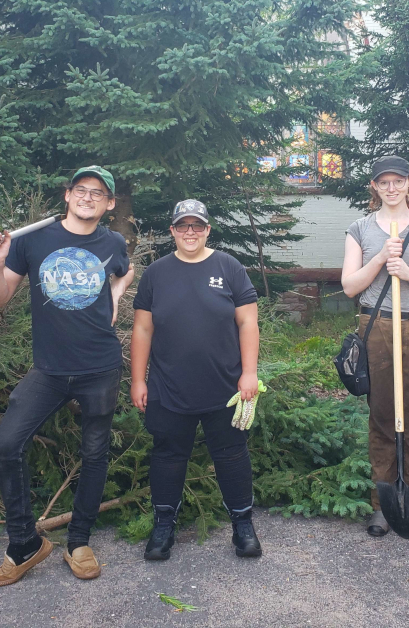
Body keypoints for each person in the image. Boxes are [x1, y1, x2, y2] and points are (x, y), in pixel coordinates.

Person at [0, 166, 134, 586]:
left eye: (98, 193)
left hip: (101, 366)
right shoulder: (34, 239)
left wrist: (115, 295)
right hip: (49, 370)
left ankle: (79, 541)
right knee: (6, 444)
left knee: (95, 454)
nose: (88, 197)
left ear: (109, 204)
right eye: (81, 190)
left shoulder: (113, 241)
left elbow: (125, 269)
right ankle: (24, 543)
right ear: (67, 195)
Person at [130, 199, 262, 559]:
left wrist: (249, 373)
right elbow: (142, 329)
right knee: (168, 456)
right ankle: (163, 527)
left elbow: (248, 322)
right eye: (183, 226)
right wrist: (138, 380)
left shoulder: (229, 267)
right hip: (167, 387)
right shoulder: (156, 273)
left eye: (197, 226)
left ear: (208, 229)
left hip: (226, 386)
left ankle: (243, 526)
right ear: (172, 231)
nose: (191, 232)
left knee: (232, 455)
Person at [341, 156, 409, 537]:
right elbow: (350, 286)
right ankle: (382, 505)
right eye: (383, 182)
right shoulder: (359, 228)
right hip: (376, 326)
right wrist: (380, 259)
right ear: (374, 187)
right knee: (383, 418)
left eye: (398, 181)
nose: (391, 188)